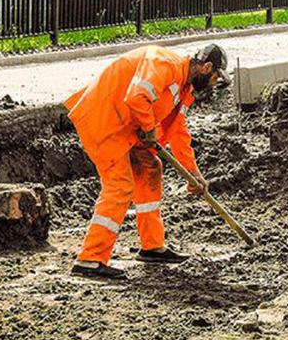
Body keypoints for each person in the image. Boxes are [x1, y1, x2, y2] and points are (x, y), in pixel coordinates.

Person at [65, 43, 228, 281]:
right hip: (104, 121)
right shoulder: (164, 64)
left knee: (150, 168)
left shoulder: (184, 88)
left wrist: (194, 173)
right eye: (215, 77)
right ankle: (90, 259)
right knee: (119, 186)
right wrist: (149, 127)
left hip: (126, 127)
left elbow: (179, 132)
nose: (214, 84)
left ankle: (152, 247)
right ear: (207, 67)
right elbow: (136, 96)